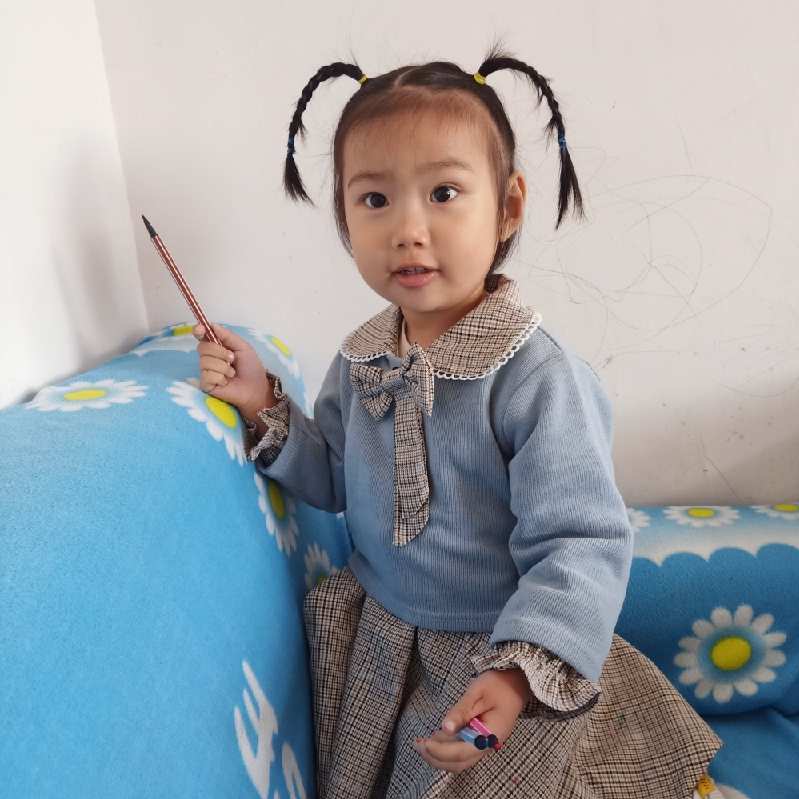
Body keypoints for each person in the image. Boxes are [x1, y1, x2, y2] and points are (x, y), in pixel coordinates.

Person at [193, 46, 723, 799]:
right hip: (386, 648)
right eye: (374, 199)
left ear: (508, 206)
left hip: (502, 656)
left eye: (443, 193)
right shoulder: (364, 357)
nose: (408, 229)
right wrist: (261, 403)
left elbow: (581, 541)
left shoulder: (535, 378)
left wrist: (515, 676)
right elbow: (337, 476)